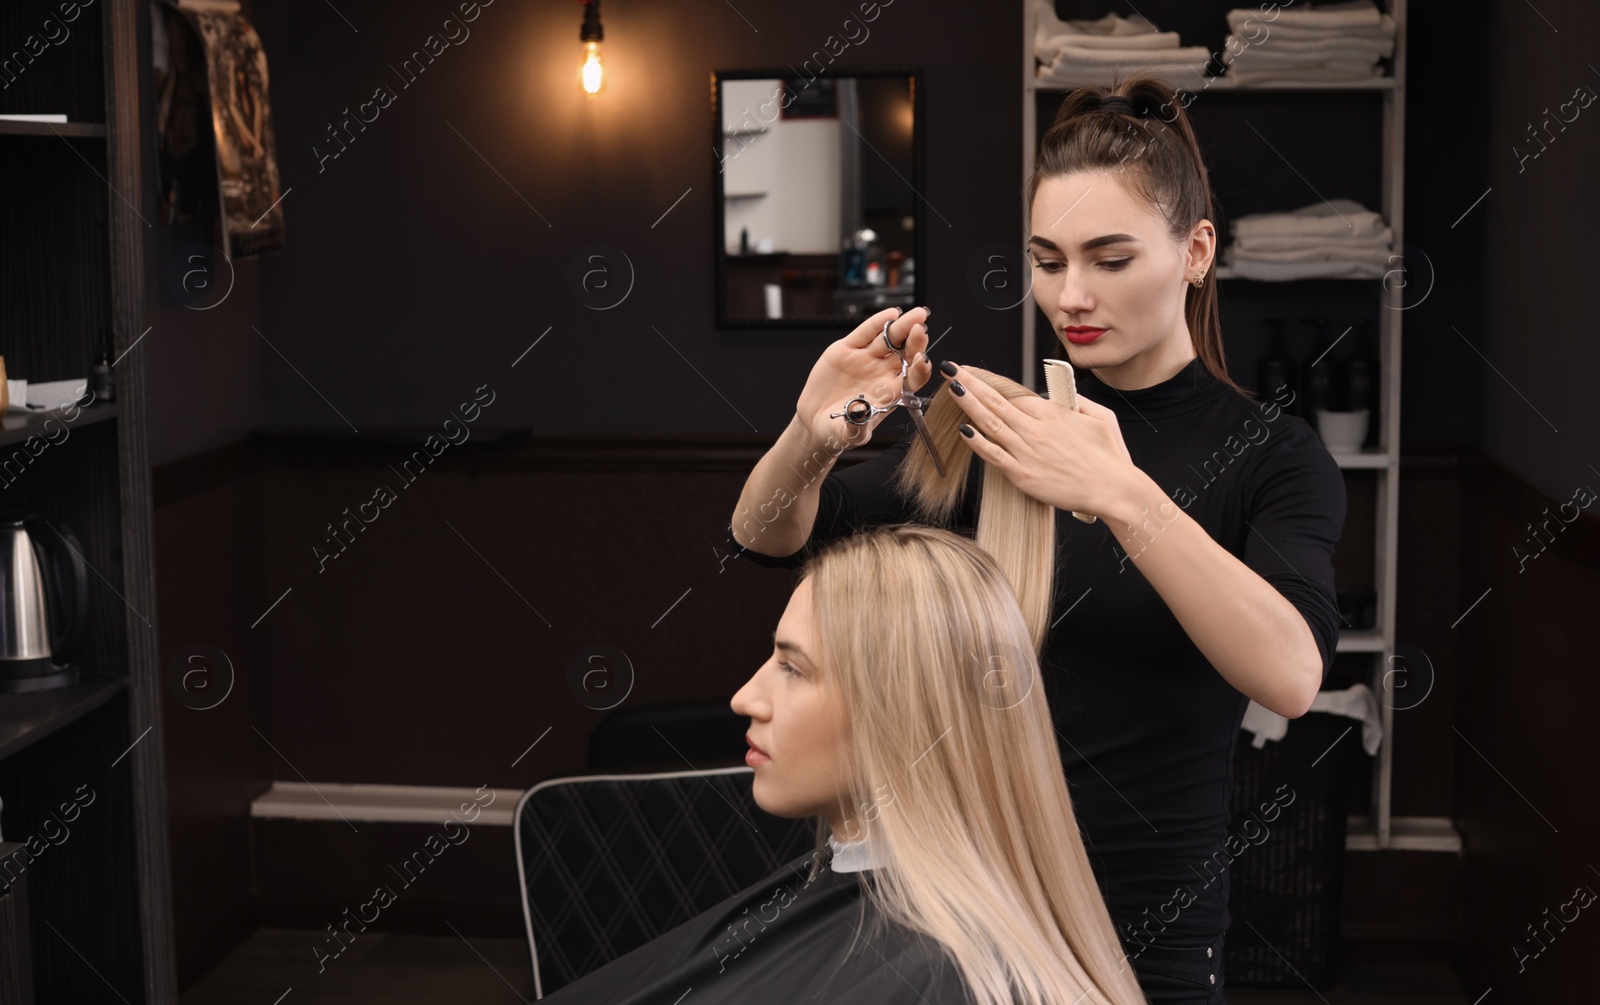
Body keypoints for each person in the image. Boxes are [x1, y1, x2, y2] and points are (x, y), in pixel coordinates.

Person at [726, 72, 1348, 1004]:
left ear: (1196, 251)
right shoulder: (992, 424)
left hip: (1148, 926)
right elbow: (767, 538)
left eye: (1110, 258)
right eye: (1048, 261)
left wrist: (1125, 499)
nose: (1072, 294)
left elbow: (1292, 676)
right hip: (965, 911)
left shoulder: (1272, 458)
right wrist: (808, 441)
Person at [539, 518, 1148, 1005]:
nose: (744, 697)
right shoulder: (870, 907)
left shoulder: (939, 978)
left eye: (793, 667)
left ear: (903, 710)